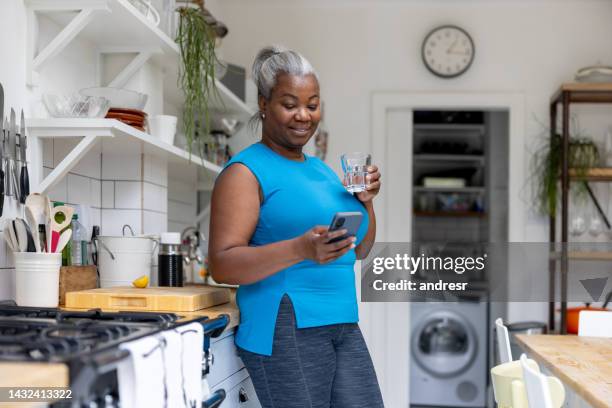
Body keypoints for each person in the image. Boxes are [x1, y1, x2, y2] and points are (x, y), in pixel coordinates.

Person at [208, 45, 384, 408]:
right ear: (263, 104)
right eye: (289, 104)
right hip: (286, 326)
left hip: (342, 321)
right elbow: (222, 265)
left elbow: (361, 248)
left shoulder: (321, 170)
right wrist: (300, 249)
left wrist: (366, 201)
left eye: (313, 103)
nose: (303, 115)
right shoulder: (245, 172)